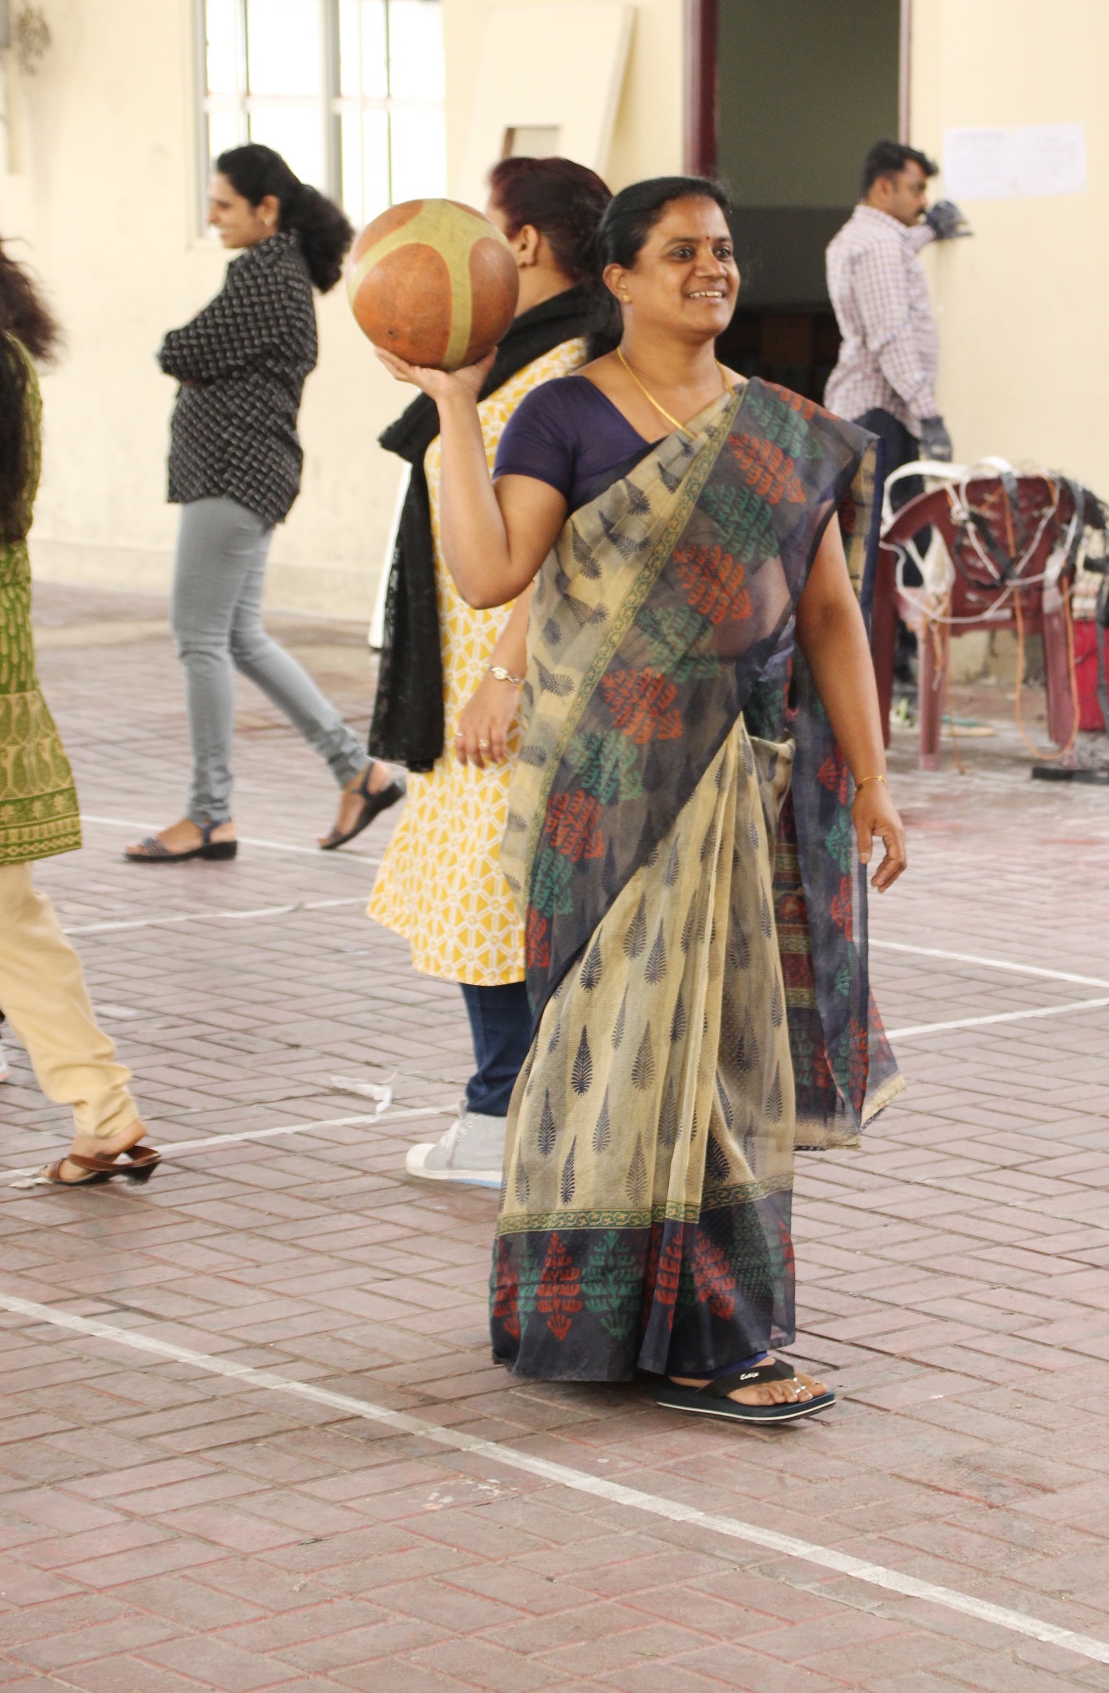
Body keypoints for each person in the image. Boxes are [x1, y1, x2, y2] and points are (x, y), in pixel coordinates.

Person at [377, 176, 907, 1424]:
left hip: (739, 781)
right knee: (605, 1054)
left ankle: (707, 1332)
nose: (710, 268)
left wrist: (874, 782)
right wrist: (454, 404)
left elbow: (831, 616)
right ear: (617, 278)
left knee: (719, 1057)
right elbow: (488, 571)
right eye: (680, 251)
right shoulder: (561, 411)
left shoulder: (780, 428)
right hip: (601, 788)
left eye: (721, 249)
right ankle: (602, 1317)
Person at [369, 157, 611, 1186]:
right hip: (480, 655)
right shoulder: (516, 353)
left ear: (520, 243)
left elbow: (565, 542)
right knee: (491, 888)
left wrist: (502, 676)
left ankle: (499, 1115)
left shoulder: (570, 364)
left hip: (517, 663)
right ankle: (519, 1109)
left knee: (492, 891)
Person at [127, 144, 400, 863]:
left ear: (266, 209)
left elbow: (180, 352)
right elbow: (194, 356)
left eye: (224, 205)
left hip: (232, 474)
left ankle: (209, 815)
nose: (213, 217)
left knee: (199, 638)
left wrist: (196, 371)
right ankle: (358, 772)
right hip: (245, 474)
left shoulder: (266, 276)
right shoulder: (274, 273)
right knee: (239, 637)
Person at [0, 201, 158, 1183]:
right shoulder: (8, 369)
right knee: (6, 918)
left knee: (3, 919)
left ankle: (106, 1108)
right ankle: (105, 1109)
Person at [823, 141, 967, 683]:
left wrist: (930, 232)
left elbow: (898, 250)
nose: (923, 201)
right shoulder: (878, 246)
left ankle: (891, 661)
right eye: (915, 190)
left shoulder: (867, 238)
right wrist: (929, 414)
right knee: (886, 542)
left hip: (876, 411)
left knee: (893, 535)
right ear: (883, 188)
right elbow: (890, 336)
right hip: (881, 411)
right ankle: (881, 667)